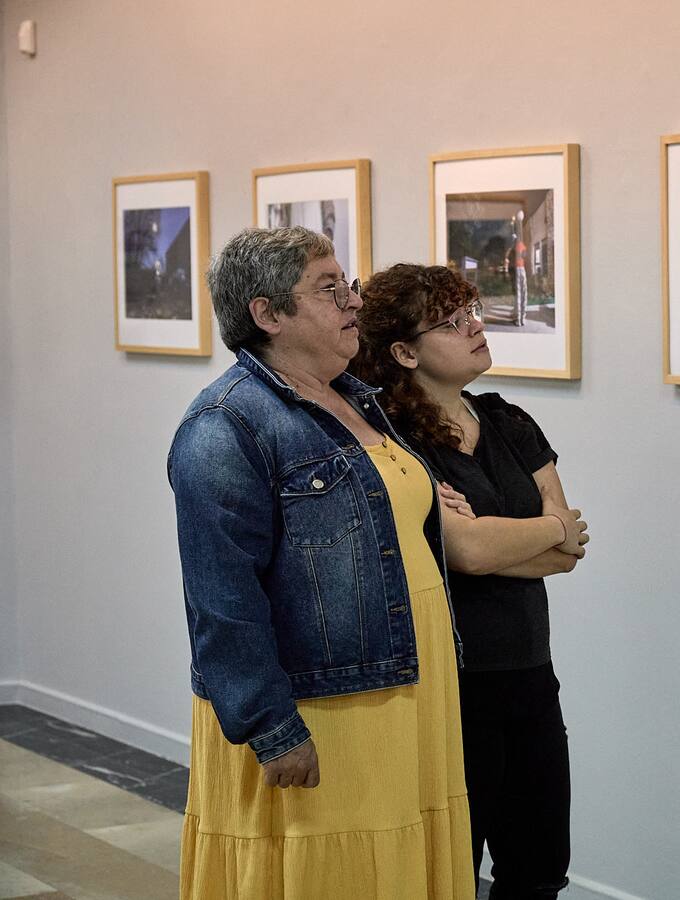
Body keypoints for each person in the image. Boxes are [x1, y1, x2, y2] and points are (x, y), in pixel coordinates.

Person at [168, 228, 476, 899]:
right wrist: (272, 728)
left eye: (351, 285)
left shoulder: (358, 399)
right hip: (328, 704)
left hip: (404, 688)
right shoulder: (226, 425)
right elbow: (222, 599)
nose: (353, 303)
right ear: (268, 314)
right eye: (329, 290)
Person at [351, 263, 588, 900]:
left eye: (473, 313)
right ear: (404, 352)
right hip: (450, 685)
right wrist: (540, 528)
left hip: (530, 674)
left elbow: (568, 551)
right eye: (450, 323)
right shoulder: (394, 440)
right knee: (450, 872)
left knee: (539, 872)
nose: (474, 328)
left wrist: (508, 536)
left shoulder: (509, 420)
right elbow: (472, 553)